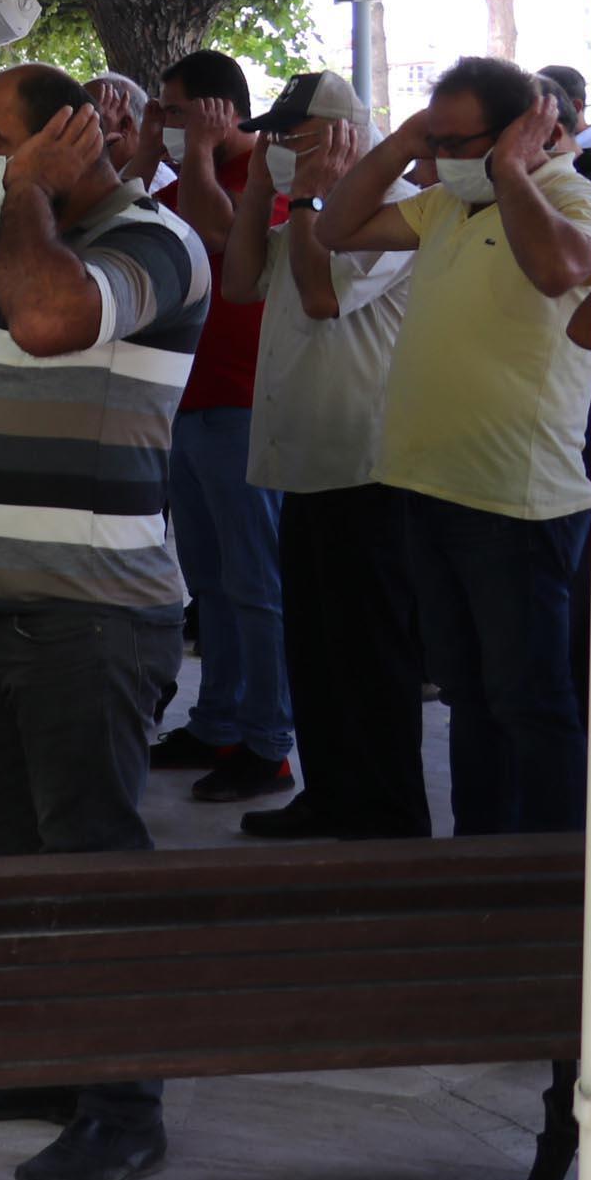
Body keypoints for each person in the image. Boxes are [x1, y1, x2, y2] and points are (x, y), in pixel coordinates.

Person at [0, 64, 207, 1180]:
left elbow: (56, 315)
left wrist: (20, 195)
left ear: (67, 140)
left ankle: (126, 1102)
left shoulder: (152, 241)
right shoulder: (15, 235)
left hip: (93, 618)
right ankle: (59, 1064)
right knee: (21, 863)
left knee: (94, 860)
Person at [316, 58, 591, 837]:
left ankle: (551, 879)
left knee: (529, 705)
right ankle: (481, 858)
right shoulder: (444, 202)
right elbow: (334, 228)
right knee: (471, 702)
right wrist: (403, 140)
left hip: (514, 500)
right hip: (427, 486)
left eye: (451, 142)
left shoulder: (573, 198)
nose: (435, 160)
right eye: (430, 142)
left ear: (521, 132)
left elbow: (560, 270)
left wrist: (509, 171)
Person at [221, 71, 424, 840]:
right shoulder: (301, 215)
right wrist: (256, 194)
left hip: (365, 466)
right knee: (318, 650)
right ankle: (332, 794)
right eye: (271, 137)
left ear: (340, 137)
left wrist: (306, 198)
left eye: (293, 136)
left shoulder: (387, 216)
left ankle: (386, 810)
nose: (277, 149)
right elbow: (239, 282)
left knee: (370, 654)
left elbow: (321, 294)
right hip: (306, 466)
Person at [137, 51, 294, 804]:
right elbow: (134, 218)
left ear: (216, 109)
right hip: (189, 406)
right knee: (212, 586)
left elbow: (225, 237)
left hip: (244, 406)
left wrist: (197, 151)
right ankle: (220, 720)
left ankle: (270, 742)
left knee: (255, 584)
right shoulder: (178, 176)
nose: (164, 126)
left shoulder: (264, 181)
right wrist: (147, 150)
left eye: (174, 111)